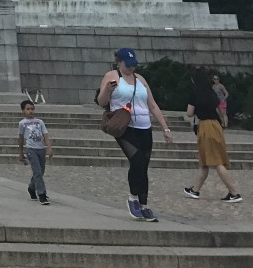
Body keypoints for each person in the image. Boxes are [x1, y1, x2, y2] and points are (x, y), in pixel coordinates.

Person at [96, 47, 174, 221]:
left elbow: (152, 105)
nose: (131, 68)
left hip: (144, 126)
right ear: (119, 63)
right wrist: (107, 90)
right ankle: (133, 198)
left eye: (133, 65)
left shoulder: (140, 79)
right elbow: (101, 102)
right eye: (128, 65)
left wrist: (165, 128)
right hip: (124, 127)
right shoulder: (112, 76)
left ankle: (144, 205)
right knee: (137, 160)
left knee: (143, 166)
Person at [184, 71, 242, 202]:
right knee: (204, 161)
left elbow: (189, 113)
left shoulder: (195, 94)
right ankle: (195, 190)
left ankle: (234, 192)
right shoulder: (212, 93)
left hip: (205, 126)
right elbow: (219, 111)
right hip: (216, 126)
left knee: (217, 162)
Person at [18, 99, 52, 204]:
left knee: (41, 171)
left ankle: (32, 187)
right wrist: (21, 153)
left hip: (41, 149)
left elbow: (45, 135)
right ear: (23, 111)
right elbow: (21, 138)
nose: (30, 111)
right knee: (37, 171)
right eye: (28, 109)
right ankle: (42, 194)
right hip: (31, 149)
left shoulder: (40, 122)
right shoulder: (22, 123)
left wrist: (49, 147)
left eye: (32, 109)